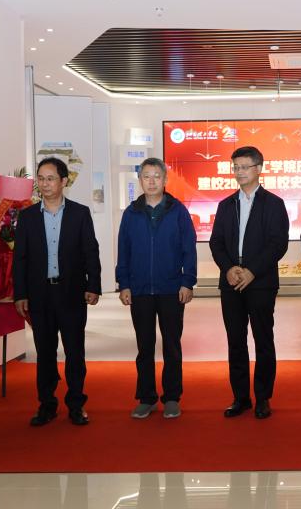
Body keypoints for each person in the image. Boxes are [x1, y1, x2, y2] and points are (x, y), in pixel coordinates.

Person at [13, 157, 101, 427]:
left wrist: (93, 285)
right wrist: (20, 293)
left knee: (75, 352)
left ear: (64, 181)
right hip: (39, 295)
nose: (45, 184)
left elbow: (90, 251)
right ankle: (47, 404)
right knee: (45, 353)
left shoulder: (79, 213)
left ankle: (76, 404)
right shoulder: (28, 216)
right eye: (41, 179)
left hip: (71, 292)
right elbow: (20, 258)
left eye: (50, 178)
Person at [209, 146, 290, 419]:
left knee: (263, 340)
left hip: (261, 282)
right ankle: (240, 397)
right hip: (231, 281)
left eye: (244, 167)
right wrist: (229, 268)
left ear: (259, 169)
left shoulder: (274, 204)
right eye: (236, 167)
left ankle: (263, 397)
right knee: (235, 341)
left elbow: (277, 243)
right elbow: (216, 242)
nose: (239, 172)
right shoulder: (226, 205)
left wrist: (252, 271)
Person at [116, 158, 197, 419]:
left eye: (156, 176)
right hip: (140, 290)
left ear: (165, 180)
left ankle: (172, 397)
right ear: (140, 180)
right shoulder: (131, 213)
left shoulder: (178, 211)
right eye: (146, 176)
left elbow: (189, 249)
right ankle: (147, 397)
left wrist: (187, 281)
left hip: (171, 289)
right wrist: (124, 284)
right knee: (144, 347)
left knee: (172, 346)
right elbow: (123, 251)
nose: (151, 181)